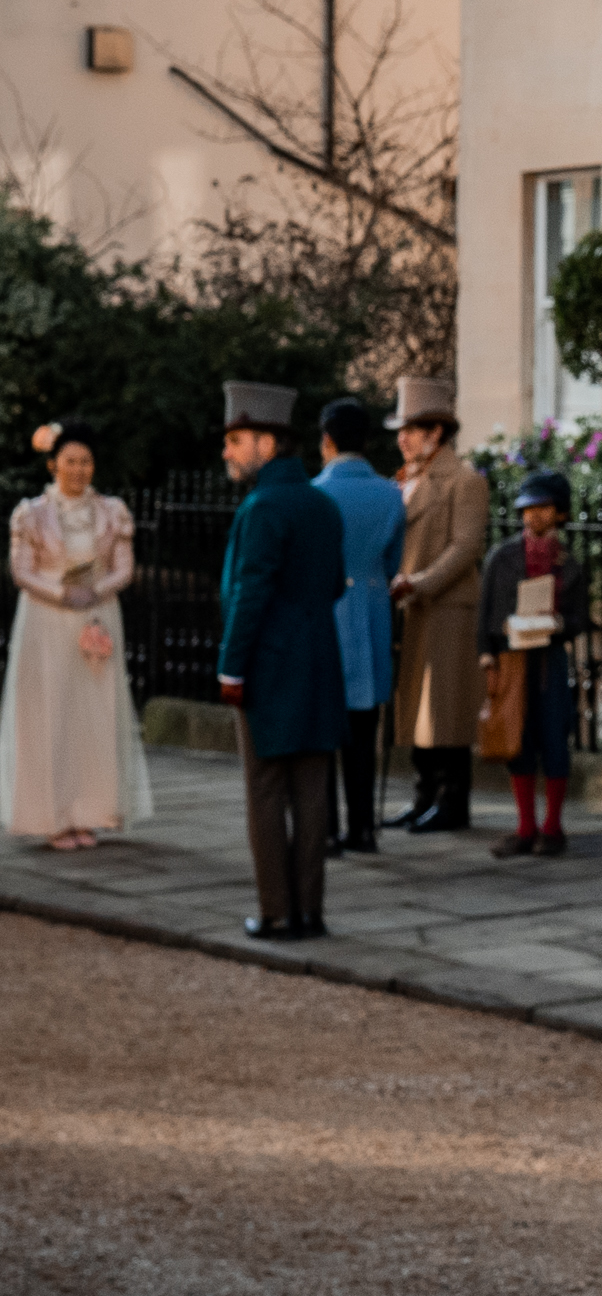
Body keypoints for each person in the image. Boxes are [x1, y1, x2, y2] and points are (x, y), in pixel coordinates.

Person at [214, 381, 348, 941]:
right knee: (313, 792)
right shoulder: (321, 502)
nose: (227, 451)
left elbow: (251, 593)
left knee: (267, 790)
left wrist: (231, 665)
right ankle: (310, 911)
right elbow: (335, 585)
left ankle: (276, 911)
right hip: (320, 660)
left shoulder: (262, 506)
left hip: (269, 665)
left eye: (236, 439)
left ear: (267, 444)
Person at [2, 420, 151, 849]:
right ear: (53, 465)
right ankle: (52, 815)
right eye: (70, 461)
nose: (78, 469)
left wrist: (95, 592)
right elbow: (21, 570)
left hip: (98, 616)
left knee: (93, 714)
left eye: (85, 461)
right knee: (51, 713)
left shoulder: (112, 511)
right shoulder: (31, 513)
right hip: (46, 621)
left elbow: (124, 567)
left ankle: (88, 811)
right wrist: (61, 592)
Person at [386, 377, 488, 833]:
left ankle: (453, 802)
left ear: (436, 432)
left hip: (448, 608)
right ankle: (424, 795)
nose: (401, 438)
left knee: (446, 709)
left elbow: (464, 548)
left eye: (410, 428)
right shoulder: (404, 480)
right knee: (415, 709)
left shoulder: (465, 482)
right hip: (415, 605)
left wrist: (418, 583)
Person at [312, 397, 405, 855]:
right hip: (370, 609)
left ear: (326, 440)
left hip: (327, 611)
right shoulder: (391, 494)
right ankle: (363, 827)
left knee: (325, 730)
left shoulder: (316, 491)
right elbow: (394, 562)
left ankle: (327, 829)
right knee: (364, 730)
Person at [477, 468, 585, 858]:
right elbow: (484, 610)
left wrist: (558, 623)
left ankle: (553, 828)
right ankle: (525, 827)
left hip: (550, 659)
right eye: (527, 509)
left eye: (542, 508)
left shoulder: (569, 562)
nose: (533, 516)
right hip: (510, 658)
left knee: (554, 739)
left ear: (559, 512)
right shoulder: (501, 557)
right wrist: (486, 655)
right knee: (516, 740)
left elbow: (579, 617)